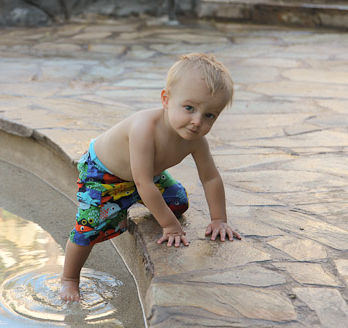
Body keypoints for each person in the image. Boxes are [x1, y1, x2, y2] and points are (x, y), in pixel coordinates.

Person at [60, 53, 241, 301]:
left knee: (178, 202)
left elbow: (210, 178)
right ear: (166, 99)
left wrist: (219, 219)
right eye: (189, 108)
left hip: (145, 176)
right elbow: (143, 182)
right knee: (88, 228)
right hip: (103, 176)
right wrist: (169, 225)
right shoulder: (144, 128)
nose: (197, 121)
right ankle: (69, 278)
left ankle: (135, 201)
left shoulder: (197, 141)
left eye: (209, 115)